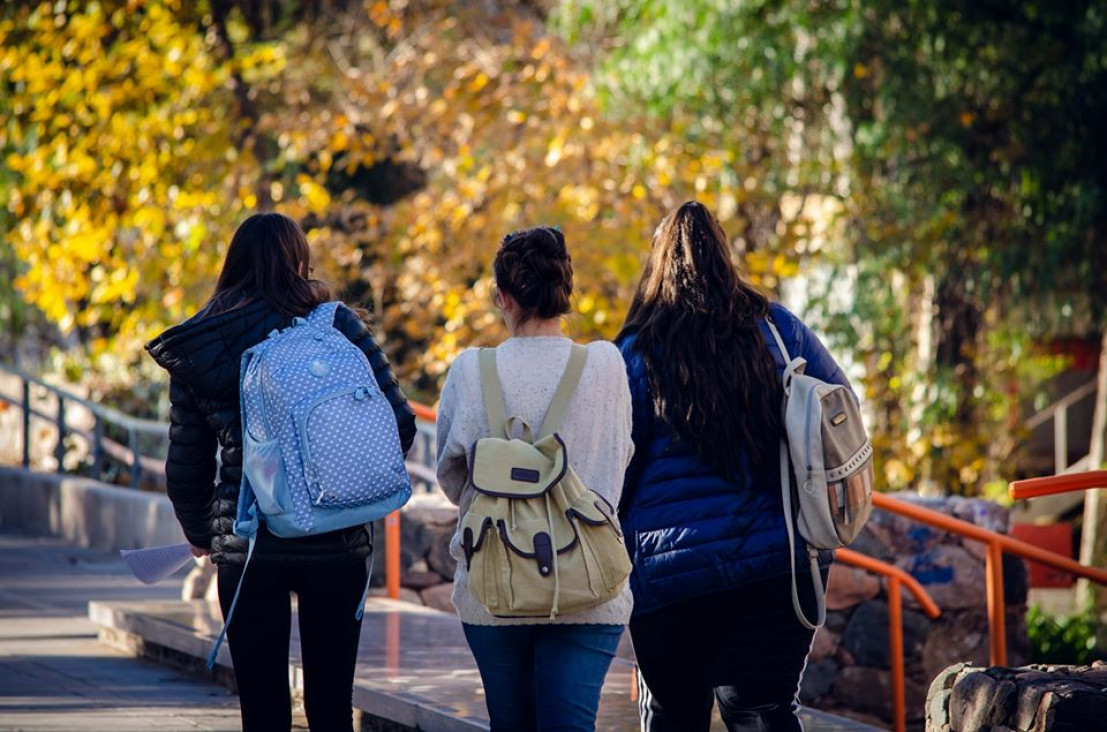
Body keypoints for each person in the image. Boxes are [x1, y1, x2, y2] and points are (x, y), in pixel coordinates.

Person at [146, 212, 416, 732]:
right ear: (299, 263)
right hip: (338, 541)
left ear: (234, 266)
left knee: (263, 711)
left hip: (249, 548)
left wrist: (203, 536)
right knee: (332, 707)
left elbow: (187, 463)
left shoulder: (201, 345)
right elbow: (398, 424)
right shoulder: (336, 326)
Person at [616, 201, 854, 732]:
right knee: (764, 715)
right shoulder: (778, 332)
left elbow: (615, 466)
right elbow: (839, 410)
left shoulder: (636, 352)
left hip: (670, 576)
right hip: (777, 563)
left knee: (674, 716)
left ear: (657, 267)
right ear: (725, 257)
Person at [435, 226, 634, 731]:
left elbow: (451, 478)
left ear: (502, 296)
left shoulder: (469, 370)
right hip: (590, 583)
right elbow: (621, 458)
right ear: (565, 292)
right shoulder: (608, 365)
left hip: (494, 584)